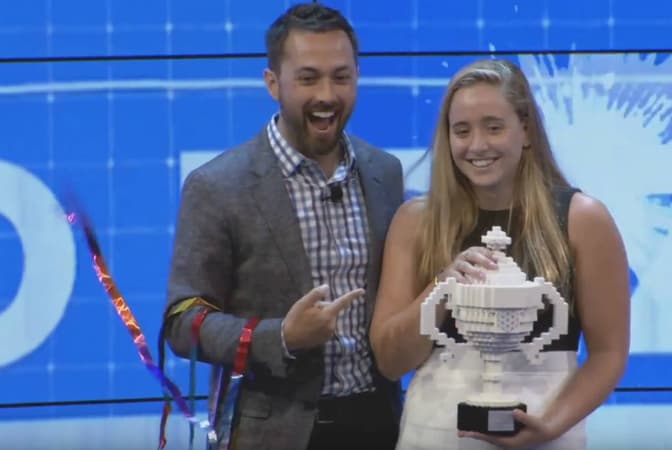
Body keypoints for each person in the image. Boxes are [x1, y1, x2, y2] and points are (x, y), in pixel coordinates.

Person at [161, 3, 404, 450]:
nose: (327, 95)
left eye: (342, 76)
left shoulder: (384, 172)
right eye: (308, 78)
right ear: (273, 82)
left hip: (380, 423)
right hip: (272, 432)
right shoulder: (217, 186)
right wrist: (281, 337)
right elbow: (183, 321)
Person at [369, 58, 631, 450]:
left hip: (547, 437)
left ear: (525, 130)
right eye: (462, 130)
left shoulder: (583, 220)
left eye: (493, 127)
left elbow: (609, 353)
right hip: (434, 435)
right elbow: (390, 361)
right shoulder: (416, 222)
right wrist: (442, 289)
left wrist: (549, 426)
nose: (477, 145)